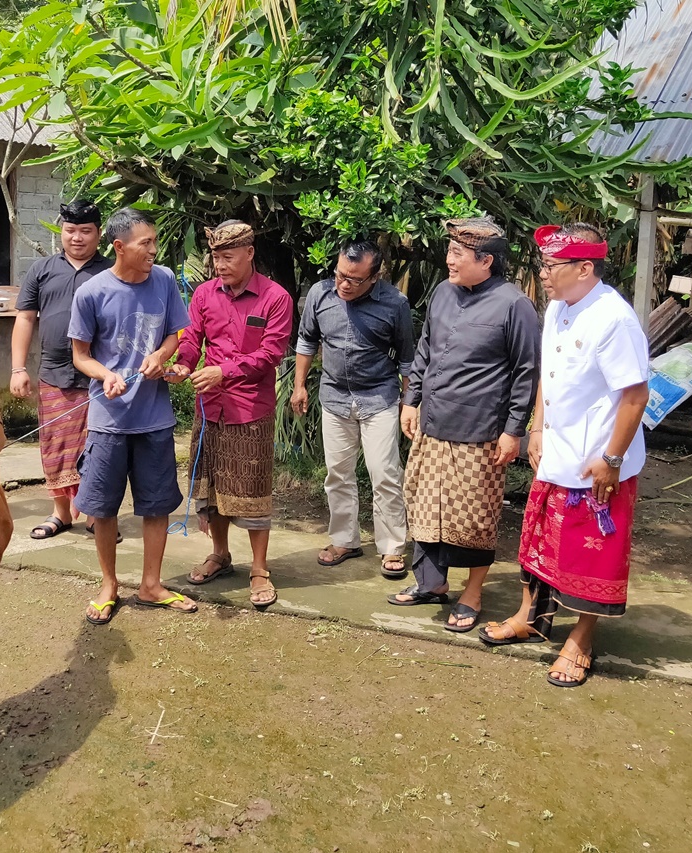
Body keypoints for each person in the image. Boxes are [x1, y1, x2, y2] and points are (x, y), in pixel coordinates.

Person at [480, 223, 650, 689]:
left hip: (597, 460)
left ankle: (581, 640)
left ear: (585, 268)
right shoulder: (557, 306)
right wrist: (536, 427)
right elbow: (547, 376)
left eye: (552, 267)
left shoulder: (613, 320)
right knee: (540, 539)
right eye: (544, 265)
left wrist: (611, 459)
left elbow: (635, 397)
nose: (544, 275)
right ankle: (530, 616)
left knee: (590, 552)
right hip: (557, 450)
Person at [397, 217, 540, 632]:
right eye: (450, 251)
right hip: (432, 423)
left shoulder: (515, 305)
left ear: (487, 261)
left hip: (481, 432)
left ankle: (472, 593)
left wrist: (514, 430)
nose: (449, 261)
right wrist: (411, 401)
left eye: (457, 254)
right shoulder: (443, 292)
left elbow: (525, 371)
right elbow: (425, 349)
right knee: (424, 505)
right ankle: (431, 583)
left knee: (474, 517)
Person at [69, 207, 197, 625]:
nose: (154, 251)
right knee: (102, 508)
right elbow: (80, 356)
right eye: (146, 244)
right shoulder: (91, 293)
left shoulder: (162, 281)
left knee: (156, 505)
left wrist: (162, 356)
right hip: (108, 421)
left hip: (155, 417)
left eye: (155, 242)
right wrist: (105, 375)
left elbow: (175, 333)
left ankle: (151, 584)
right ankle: (109, 585)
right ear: (120, 247)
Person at [169, 220, 292, 609]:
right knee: (211, 489)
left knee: (252, 491)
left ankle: (259, 568)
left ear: (249, 253)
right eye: (215, 257)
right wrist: (184, 365)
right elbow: (192, 338)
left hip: (250, 409)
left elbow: (271, 353)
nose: (219, 264)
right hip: (210, 407)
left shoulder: (275, 297)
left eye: (228, 256)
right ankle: (220, 554)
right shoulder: (204, 294)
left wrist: (225, 370)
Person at [291, 239, 415, 579]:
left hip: (379, 399)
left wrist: (409, 405)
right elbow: (307, 341)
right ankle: (345, 540)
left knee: (384, 473)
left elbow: (407, 359)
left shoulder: (395, 303)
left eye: (355, 279)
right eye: (340, 274)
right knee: (338, 473)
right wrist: (300, 385)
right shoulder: (320, 294)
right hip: (334, 398)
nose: (344, 284)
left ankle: (391, 546)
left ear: (374, 277)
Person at [11, 200, 113, 540]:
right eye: (70, 231)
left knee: (97, 448)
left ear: (99, 234)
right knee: (54, 447)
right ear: (61, 234)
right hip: (53, 374)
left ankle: (96, 515)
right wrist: (17, 368)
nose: (77, 238)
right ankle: (60, 513)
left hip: (100, 377)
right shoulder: (41, 270)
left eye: (86, 231)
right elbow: (25, 318)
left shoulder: (112, 272)